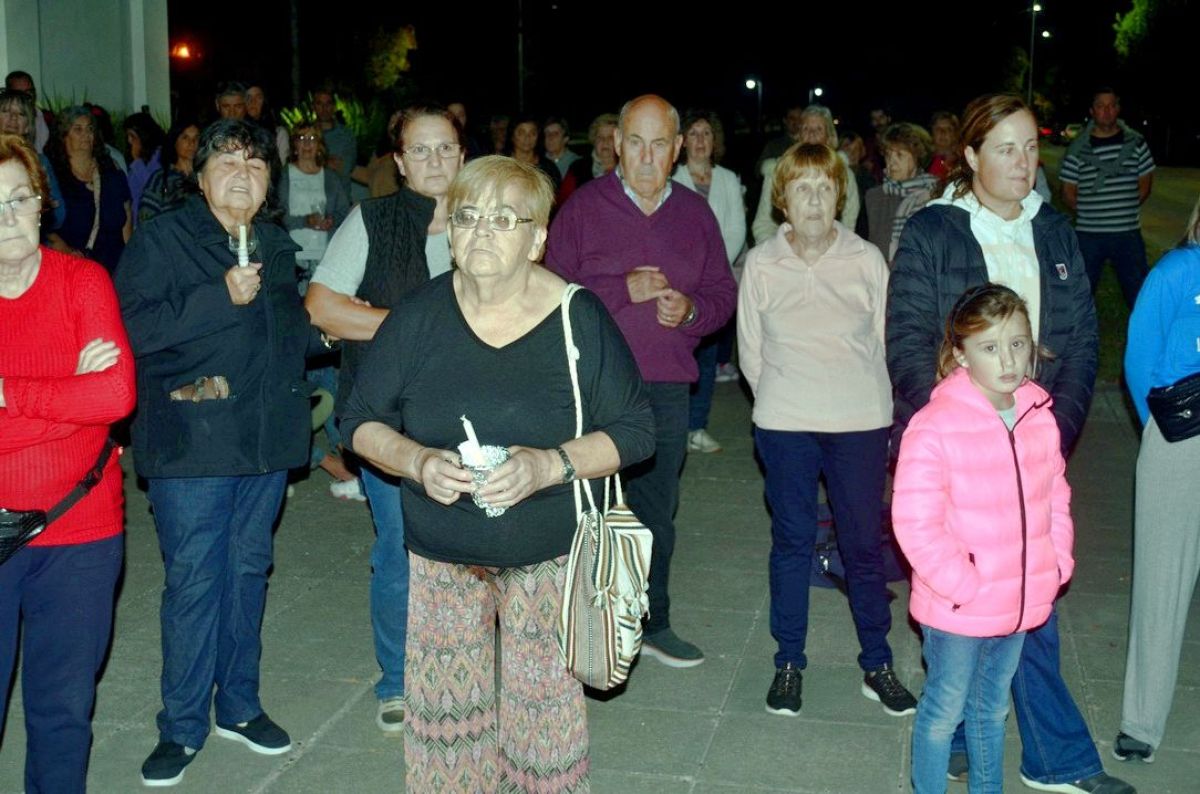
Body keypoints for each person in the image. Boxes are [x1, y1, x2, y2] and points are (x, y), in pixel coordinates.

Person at [341, 154, 654, 792]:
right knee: (446, 732)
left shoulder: (577, 318)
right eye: (468, 217)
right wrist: (419, 460)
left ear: (538, 238)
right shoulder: (418, 316)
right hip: (442, 554)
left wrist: (547, 465)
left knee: (544, 728)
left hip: (547, 556)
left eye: (505, 219)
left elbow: (636, 430)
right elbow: (361, 421)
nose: (482, 231)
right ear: (449, 232)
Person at [887, 93, 1134, 794]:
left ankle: (1030, 753)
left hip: (1032, 441)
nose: (1023, 163)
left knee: (1027, 607)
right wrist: (958, 424)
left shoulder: (1053, 229)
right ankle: (1038, 754)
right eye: (1005, 149)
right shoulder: (937, 230)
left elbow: (1082, 338)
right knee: (978, 612)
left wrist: (1055, 425)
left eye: (1031, 148)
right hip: (960, 450)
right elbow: (907, 340)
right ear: (969, 156)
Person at [117, 119, 323, 787]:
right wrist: (217, 298)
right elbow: (132, 330)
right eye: (227, 161)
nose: (243, 174)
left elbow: (289, 335)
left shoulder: (275, 244)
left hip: (262, 444)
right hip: (193, 444)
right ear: (200, 176)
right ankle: (180, 726)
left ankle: (237, 704)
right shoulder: (164, 240)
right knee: (196, 582)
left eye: (258, 165)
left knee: (247, 575)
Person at [547, 94, 738, 667]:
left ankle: (654, 621)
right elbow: (546, 292)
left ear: (678, 149)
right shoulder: (583, 208)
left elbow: (723, 294)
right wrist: (618, 289)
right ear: (615, 146)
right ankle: (577, 622)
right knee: (584, 509)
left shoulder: (695, 213)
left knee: (656, 511)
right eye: (636, 142)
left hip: (665, 385)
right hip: (595, 385)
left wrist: (692, 313)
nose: (648, 156)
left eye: (660, 144)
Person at [738, 142, 917, 720]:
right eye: (801, 188)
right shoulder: (762, 264)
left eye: (824, 186)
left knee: (863, 545)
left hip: (858, 422)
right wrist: (788, 397)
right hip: (786, 422)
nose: (813, 198)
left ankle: (877, 663)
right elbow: (751, 355)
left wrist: (856, 399)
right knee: (791, 543)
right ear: (782, 201)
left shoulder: (866, 260)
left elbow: (889, 342)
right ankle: (788, 661)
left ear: (840, 196)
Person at [305, 104, 465, 732]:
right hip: (387, 419)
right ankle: (397, 679)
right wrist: (411, 329)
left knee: (468, 552)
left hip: (472, 418)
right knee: (400, 549)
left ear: (461, 153)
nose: (434, 162)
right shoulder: (371, 221)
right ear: (399, 162)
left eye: (445, 148)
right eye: (420, 151)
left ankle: (458, 669)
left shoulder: (487, 223)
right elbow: (322, 308)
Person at [894, 283, 1075, 794]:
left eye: (1018, 343)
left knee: (991, 710)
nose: (1008, 360)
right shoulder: (935, 426)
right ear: (959, 354)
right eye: (989, 347)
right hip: (959, 605)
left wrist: (1055, 558)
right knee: (944, 708)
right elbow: (914, 520)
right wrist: (962, 582)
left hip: (1019, 599)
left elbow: (1055, 493)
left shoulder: (1039, 417)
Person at [0, 132, 135, 794]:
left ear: (41, 204)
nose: (6, 219)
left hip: (78, 532)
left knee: (60, 713)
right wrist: (68, 397)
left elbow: (115, 396)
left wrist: (9, 396)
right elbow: (88, 401)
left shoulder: (84, 280)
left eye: (18, 199)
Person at [1113, 195, 1200, 766]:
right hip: (1184, 439)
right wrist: (1162, 437)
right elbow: (1138, 360)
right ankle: (1141, 721)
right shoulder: (1175, 272)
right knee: (1162, 584)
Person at [278, 121, 352, 492]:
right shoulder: (283, 176)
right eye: (301, 139)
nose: (307, 145)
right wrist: (301, 221)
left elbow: (345, 217)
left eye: (312, 139)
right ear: (293, 145)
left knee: (324, 353)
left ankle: (339, 444)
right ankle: (300, 452)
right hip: (290, 270)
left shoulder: (332, 178)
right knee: (294, 352)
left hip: (323, 271)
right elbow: (272, 217)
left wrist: (328, 223)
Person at [672, 109, 745, 454]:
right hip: (678, 284)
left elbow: (735, 230)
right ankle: (674, 427)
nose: (700, 141)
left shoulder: (729, 179)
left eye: (706, 134)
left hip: (713, 287)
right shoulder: (671, 179)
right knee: (677, 359)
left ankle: (697, 427)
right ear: (682, 141)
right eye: (694, 134)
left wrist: (712, 269)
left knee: (707, 359)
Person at [1060, 88, 1155, 308]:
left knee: (1140, 295)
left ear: (1118, 109)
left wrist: (1122, 210)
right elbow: (1067, 193)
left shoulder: (1137, 144)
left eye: (1112, 105)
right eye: (1101, 106)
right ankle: (1078, 340)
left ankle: (1145, 338)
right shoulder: (1076, 149)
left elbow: (1145, 186)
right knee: (1081, 295)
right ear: (1092, 111)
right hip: (1089, 235)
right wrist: (1093, 212)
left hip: (1128, 234)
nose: (1107, 111)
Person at [752, 105, 859, 245]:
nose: (812, 134)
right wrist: (778, 254)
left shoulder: (844, 175)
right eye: (806, 128)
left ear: (830, 137)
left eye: (819, 129)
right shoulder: (778, 171)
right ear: (798, 136)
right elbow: (763, 224)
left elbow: (848, 224)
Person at [44, 106, 132, 273]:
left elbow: (126, 219)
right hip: (73, 270)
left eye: (89, 129)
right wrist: (65, 250)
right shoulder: (52, 176)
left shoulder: (111, 171)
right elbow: (42, 226)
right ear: (63, 136)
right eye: (77, 129)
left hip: (115, 269)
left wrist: (130, 264)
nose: (86, 134)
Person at [863, 122, 938, 263]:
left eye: (899, 155)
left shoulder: (934, 196)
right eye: (888, 155)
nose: (891, 162)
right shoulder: (874, 197)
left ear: (917, 156)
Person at [0, 88, 65, 230]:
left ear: (28, 127)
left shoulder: (39, 162)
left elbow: (59, 217)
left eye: (21, 114)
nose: (13, 118)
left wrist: (45, 206)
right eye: (6, 111)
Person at [139, 118, 200, 223]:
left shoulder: (205, 177)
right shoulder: (160, 179)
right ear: (174, 142)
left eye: (196, 138)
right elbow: (146, 218)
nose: (192, 143)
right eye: (185, 138)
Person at [561, 112, 618, 202]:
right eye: (600, 137)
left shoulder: (627, 169)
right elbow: (563, 202)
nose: (605, 141)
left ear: (619, 140)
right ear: (593, 140)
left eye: (610, 137)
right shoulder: (577, 167)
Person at [312, 88, 357, 196]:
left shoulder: (346, 136)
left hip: (339, 201)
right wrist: (327, 162)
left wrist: (316, 161)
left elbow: (344, 168)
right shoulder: (305, 134)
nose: (324, 108)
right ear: (313, 107)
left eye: (328, 103)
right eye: (319, 104)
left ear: (334, 107)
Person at [123, 111, 165, 222]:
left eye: (132, 136)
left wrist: (137, 161)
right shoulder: (137, 158)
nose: (129, 141)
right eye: (128, 136)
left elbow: (151, 187)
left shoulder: (160, 156)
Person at [505, 114, 561, 191]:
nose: (527, 137)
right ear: (512, 136)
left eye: (533, 133)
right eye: (521, 133)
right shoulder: (502, 164)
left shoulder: (548, 168)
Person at [4, 70, 51, 152]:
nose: (27, 97)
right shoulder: (6, 121)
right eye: (20, 94)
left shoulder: (49, 119)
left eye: (30, 92)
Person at [245, 84, 289, 163]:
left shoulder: (279, 133)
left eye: (258, 97)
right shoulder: (238, 131)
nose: (253, 102)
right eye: (248, 97)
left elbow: (283, 166)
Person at [928, 111, 960, 180]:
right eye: (938, 129)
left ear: (955, 135)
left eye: (948, 129)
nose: (943, 132)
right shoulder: (924, 161)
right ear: (932, 133)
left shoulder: (960, 163)